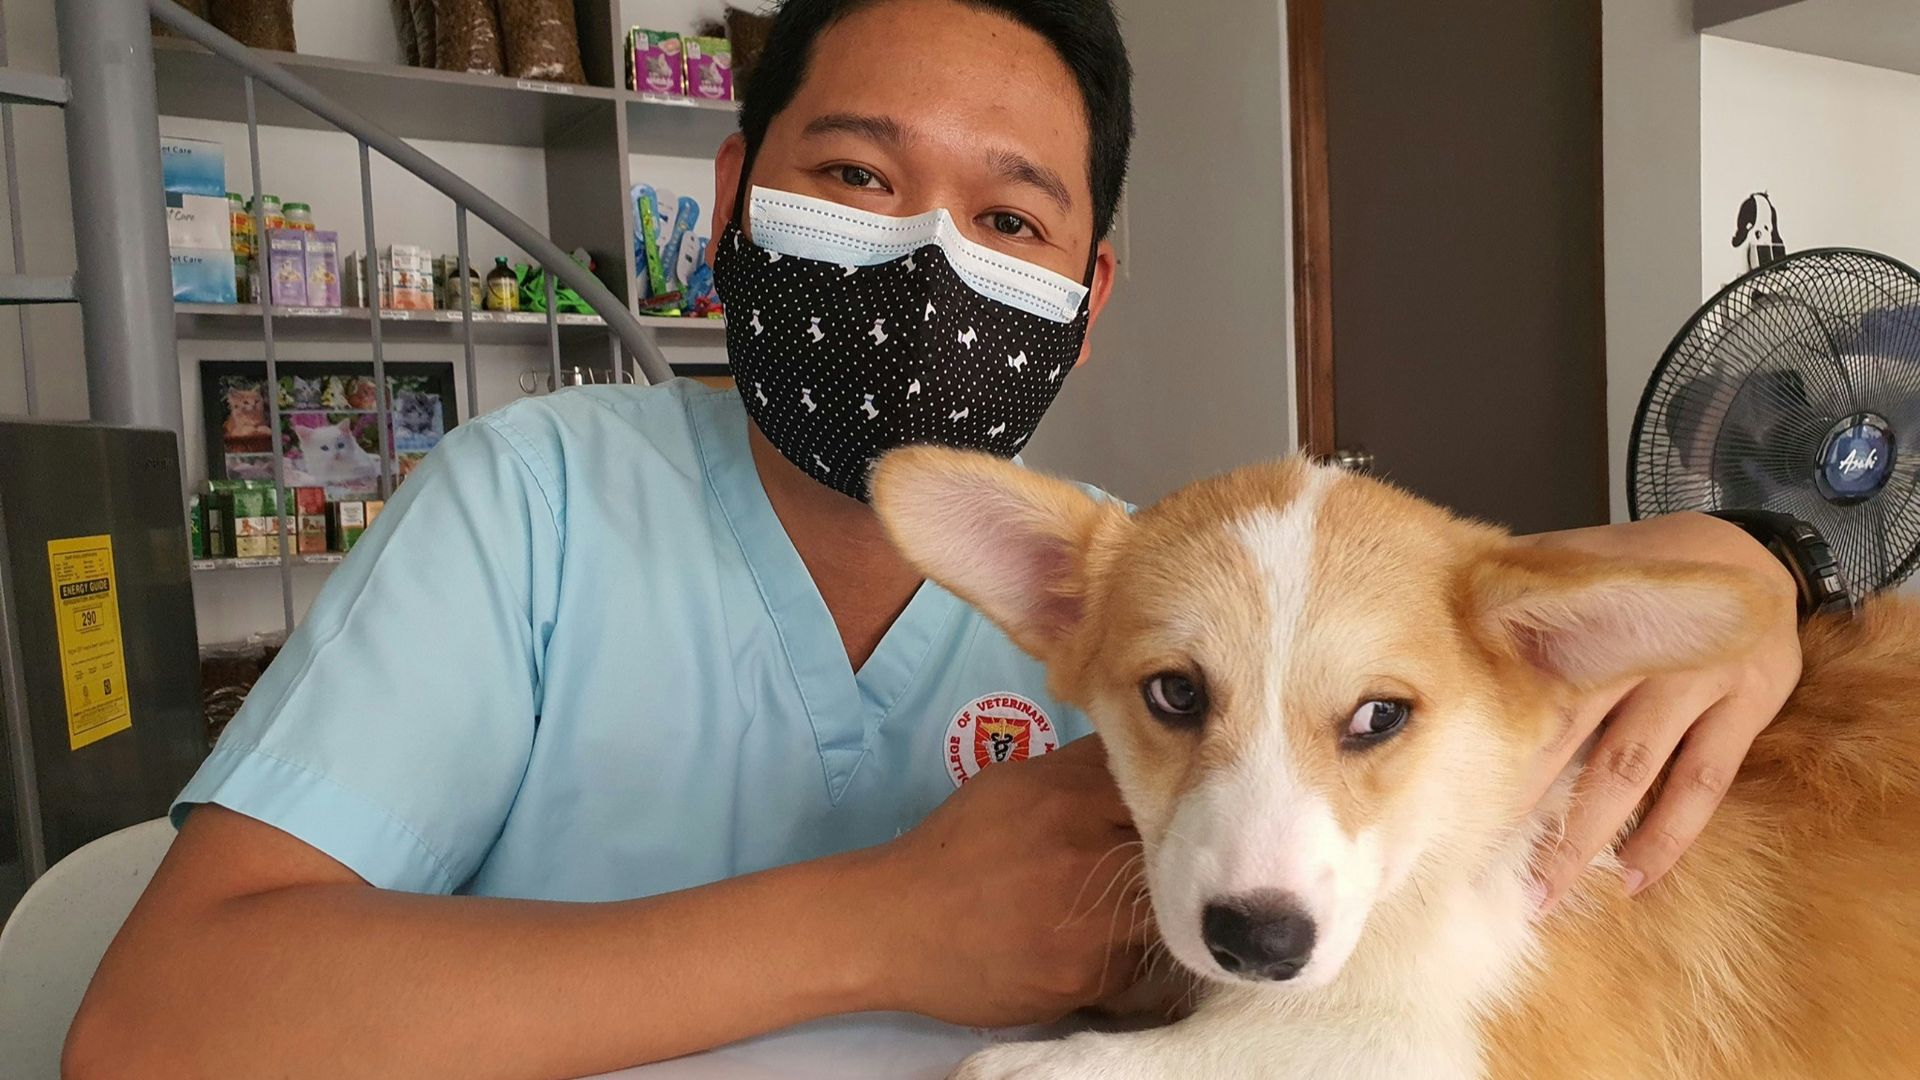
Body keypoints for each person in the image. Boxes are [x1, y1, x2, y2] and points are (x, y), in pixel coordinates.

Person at [64, 1, 1805, 1076]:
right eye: (857, 174)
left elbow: (1413, 646)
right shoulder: (534, 504)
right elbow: (161, 1036)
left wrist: (1769, 568)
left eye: (1010, 213)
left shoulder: (1140, 583)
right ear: (734, 201)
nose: (925, 254)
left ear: (1086, 294)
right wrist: (881, 929)